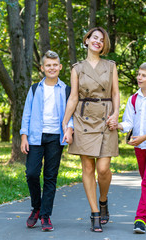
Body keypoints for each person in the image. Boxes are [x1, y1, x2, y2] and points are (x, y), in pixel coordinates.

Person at [61, 27, 120, 232]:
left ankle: (103, 200)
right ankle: (95, 212)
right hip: (83, 119)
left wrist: (115, 115)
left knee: (103, 169)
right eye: (94, 38)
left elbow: (115, 93)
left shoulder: (111, 66)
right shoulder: (76, 68)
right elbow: (73, 97)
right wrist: (65, 123)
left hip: (105, 119)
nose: (98, 41)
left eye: (101, 40)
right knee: (88, 168)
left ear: (104, 45)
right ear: (86, 40)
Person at [20, 50, 73, 232]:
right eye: (48, 65)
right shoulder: (35, 89)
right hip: (35, 136)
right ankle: (36, 207)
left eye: (55, 65)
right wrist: (24, 136)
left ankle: (45, 215)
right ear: (42, 68)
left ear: (60, 67)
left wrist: (69, 130)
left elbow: (70, 113)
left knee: (50, 177)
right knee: (32, 173)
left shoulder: (66, 89)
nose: (51, 68)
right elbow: (27, 113)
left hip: (55, 138)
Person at [112, 62, 146, 234]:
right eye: (138, 74)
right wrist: (117, 125)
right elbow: (128, 122)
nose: (139, 78)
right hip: (139, 146)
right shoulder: (133, 99)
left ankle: (140, 219)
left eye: (143, 75)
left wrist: (143, 137)